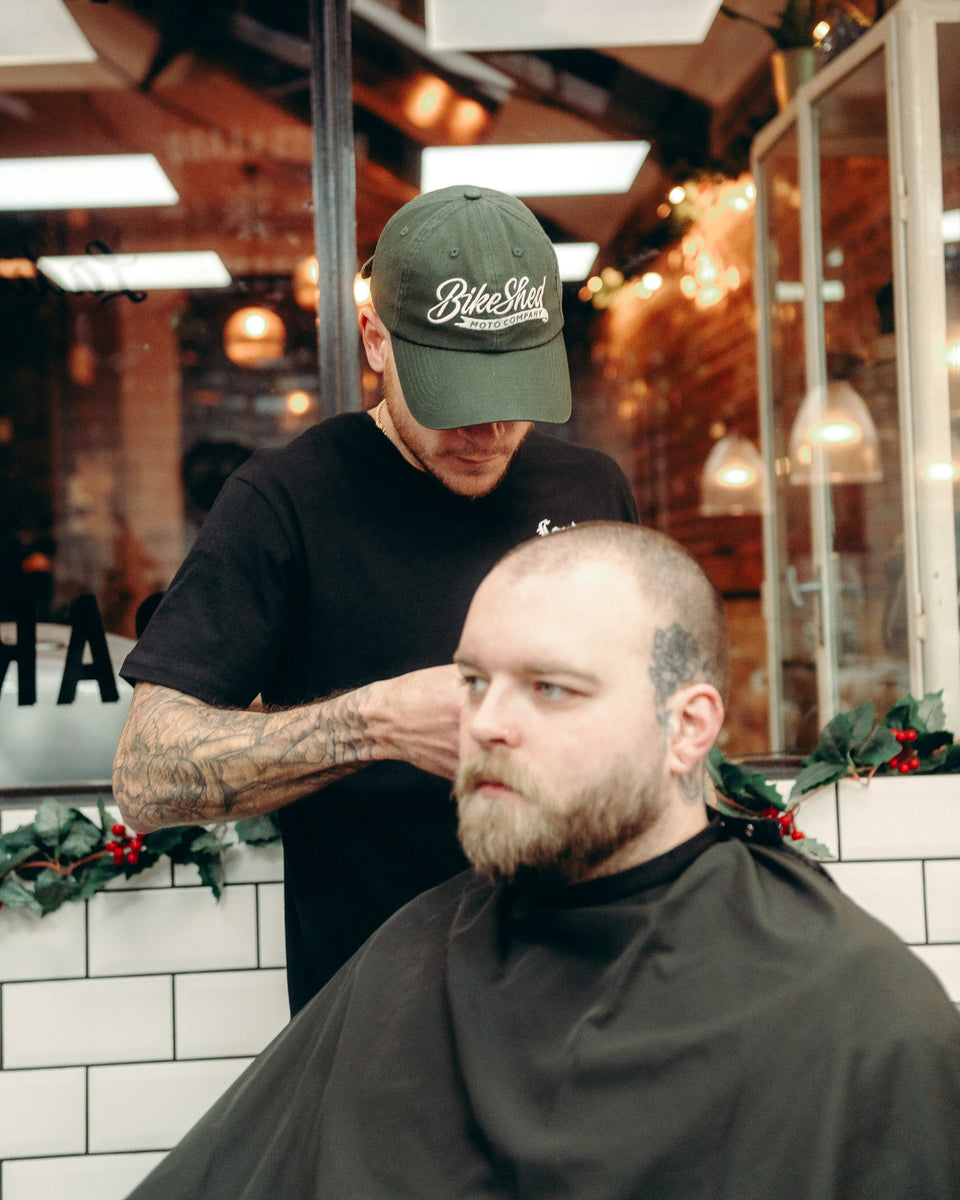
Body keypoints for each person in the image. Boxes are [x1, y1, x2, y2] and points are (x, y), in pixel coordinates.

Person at [123, 522, 960, 1200]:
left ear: (690, 727)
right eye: (475, 682)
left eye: (550, 688)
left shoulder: (852, 1008)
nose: (485, 724)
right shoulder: (410, 964)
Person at [112, 184, 639, 1013]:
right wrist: (374, 722)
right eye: (456, 395)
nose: (490, 429)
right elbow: (146, 775)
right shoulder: (283, 501)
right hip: (376, 1029)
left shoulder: (594, 487)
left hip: (584, 1003)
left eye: (513, 390)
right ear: (376, 343)